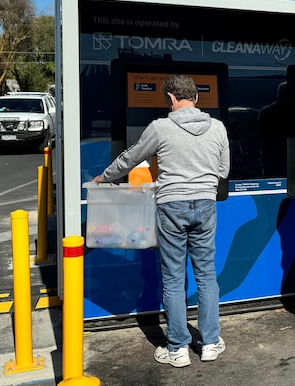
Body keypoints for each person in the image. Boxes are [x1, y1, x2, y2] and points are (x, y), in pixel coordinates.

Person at [93, 74, 230, 368]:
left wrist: (105, 176)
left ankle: (178, 348)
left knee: (173, 277)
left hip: (170, 206)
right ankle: (209, 343)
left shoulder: (161, 127)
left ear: (170, 98)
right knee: (206, 274)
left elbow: (131, 158)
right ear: (197, 97)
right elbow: (223, 169)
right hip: (206, 204)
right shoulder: (218, 128)